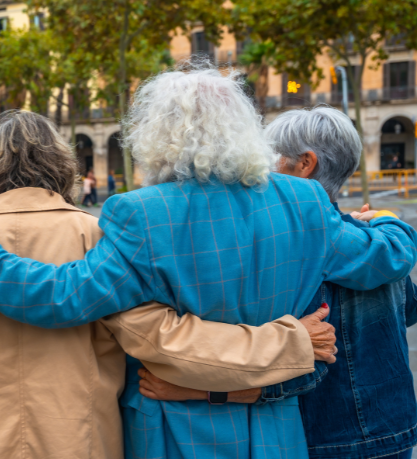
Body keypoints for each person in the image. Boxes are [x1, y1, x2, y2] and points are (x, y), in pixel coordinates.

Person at [0, 69, 417, 458]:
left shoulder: (141, 214)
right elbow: (377, 261)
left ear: (154, 136)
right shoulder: (305, 201)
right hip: (276, 428)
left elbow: (61, 297)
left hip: (174, 429)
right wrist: (391, 222)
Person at [0, 111, 337, 458]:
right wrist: (291, 341)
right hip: (79, 444)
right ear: (65, 168)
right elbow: (162, 338)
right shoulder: (100, 237)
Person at [139, 107, 417, 459]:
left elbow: (301, 372)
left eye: (270, 157)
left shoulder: (294, 245)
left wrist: (196, 390)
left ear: (305, 164)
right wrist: (386, 222)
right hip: (395, 432)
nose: (261, 169)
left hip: (328, 440)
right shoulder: (375, 240)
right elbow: (405, 311)